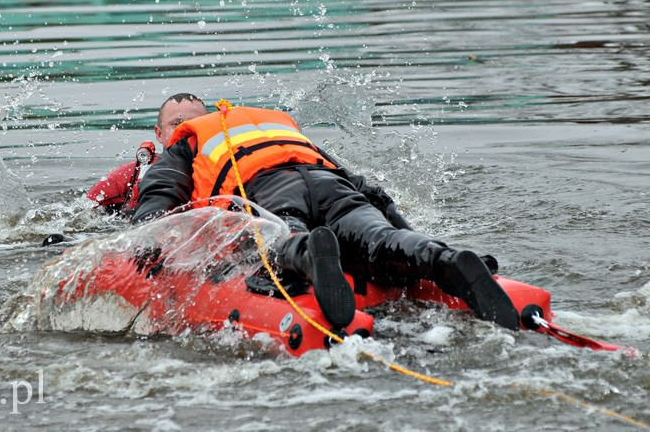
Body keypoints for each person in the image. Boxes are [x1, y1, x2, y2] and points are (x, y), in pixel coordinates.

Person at [132, 102, 521, 331]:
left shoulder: (186, 142)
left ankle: (305, 252)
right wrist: (409, 230)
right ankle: (441, 259)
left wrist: (145, 241)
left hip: (266, 190)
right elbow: (365, 188)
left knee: (275, 239)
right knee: (375, 237)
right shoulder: (274, 123)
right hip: (328, 183)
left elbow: (160, 193)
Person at [87, 93, 208, 215]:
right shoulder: (130, 176)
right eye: (176, 123)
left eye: (195, 123)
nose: (185, 130)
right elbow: (82, 213)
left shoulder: (225, 171)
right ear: (159, 134)